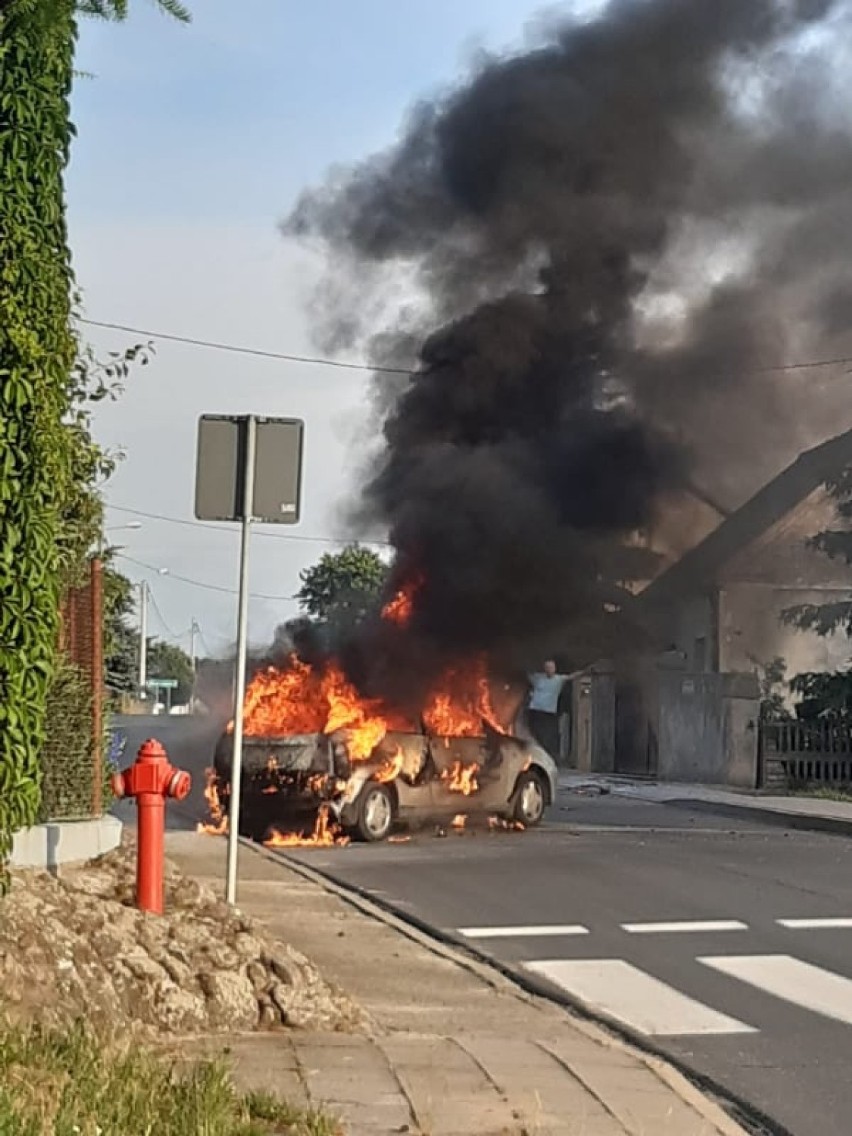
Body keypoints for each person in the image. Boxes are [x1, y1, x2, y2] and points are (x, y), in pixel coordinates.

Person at [527, 660, 566, 757]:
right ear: (544, 669)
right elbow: (527, 673)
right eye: (547, 667)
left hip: (549, 713)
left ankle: (548, 755)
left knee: (549, 735)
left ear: (555, 669)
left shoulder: (559, 679)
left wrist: (585, 671)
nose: (549, 670)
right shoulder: (538, 678)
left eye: (551, 667)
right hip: (535, 711)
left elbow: (573, 676)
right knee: (535, 734)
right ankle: (534, 754)